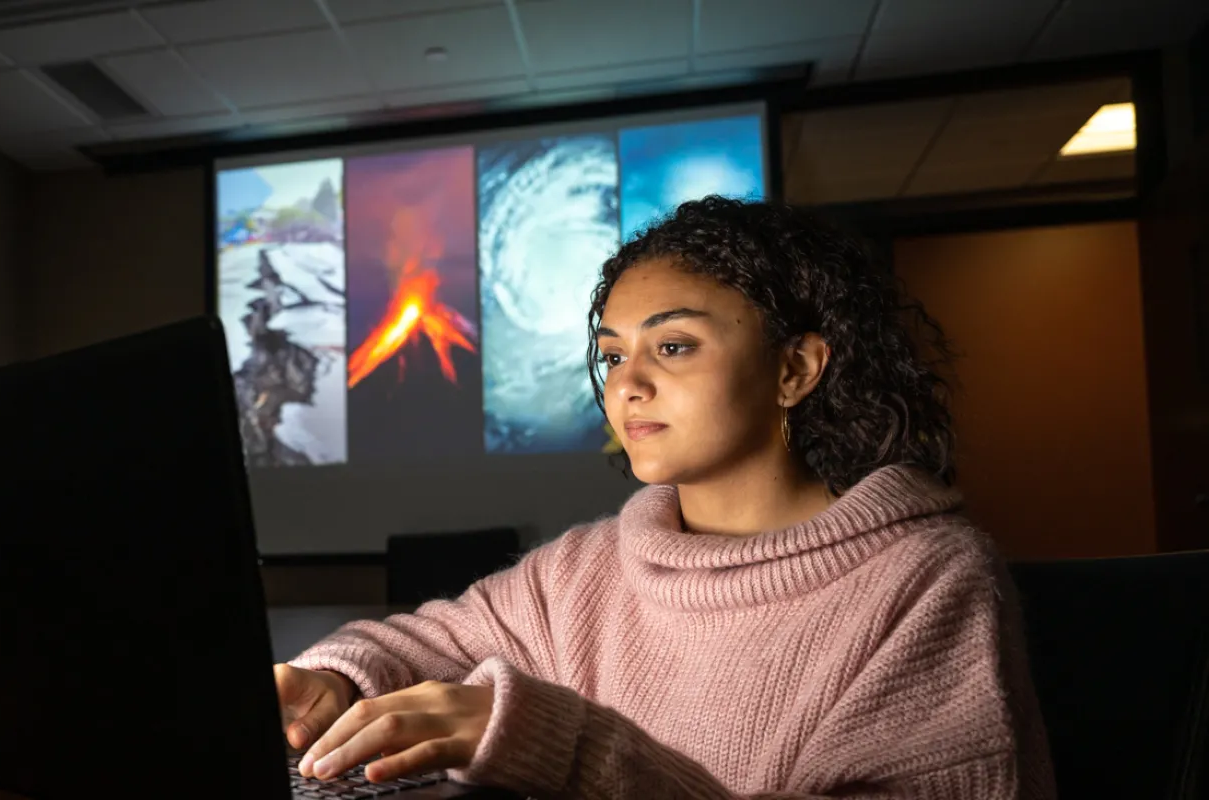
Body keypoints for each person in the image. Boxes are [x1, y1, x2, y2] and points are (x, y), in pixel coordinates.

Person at [272, 197, 1055, 799]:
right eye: (612, 354)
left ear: (795, 369)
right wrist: (334, 681)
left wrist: (570, 747)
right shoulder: (585, 570)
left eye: (672, 345)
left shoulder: (927, 581)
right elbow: (420, 645)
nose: (627, 384)